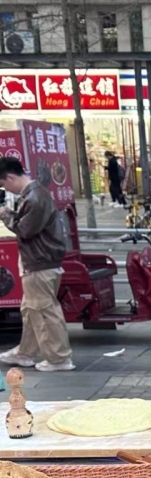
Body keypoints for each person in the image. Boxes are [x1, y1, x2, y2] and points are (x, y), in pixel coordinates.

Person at [0, 157, 75, 372]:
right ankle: (26, 351)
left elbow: (25, 230)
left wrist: (6, 215)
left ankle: (59, 358)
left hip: (40, 263)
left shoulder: (34, 197)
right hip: (39, 262)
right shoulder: (34, 195)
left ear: (11, 177)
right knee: (31, 309)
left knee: (44, 311)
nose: (6, 189)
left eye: (4, 184)